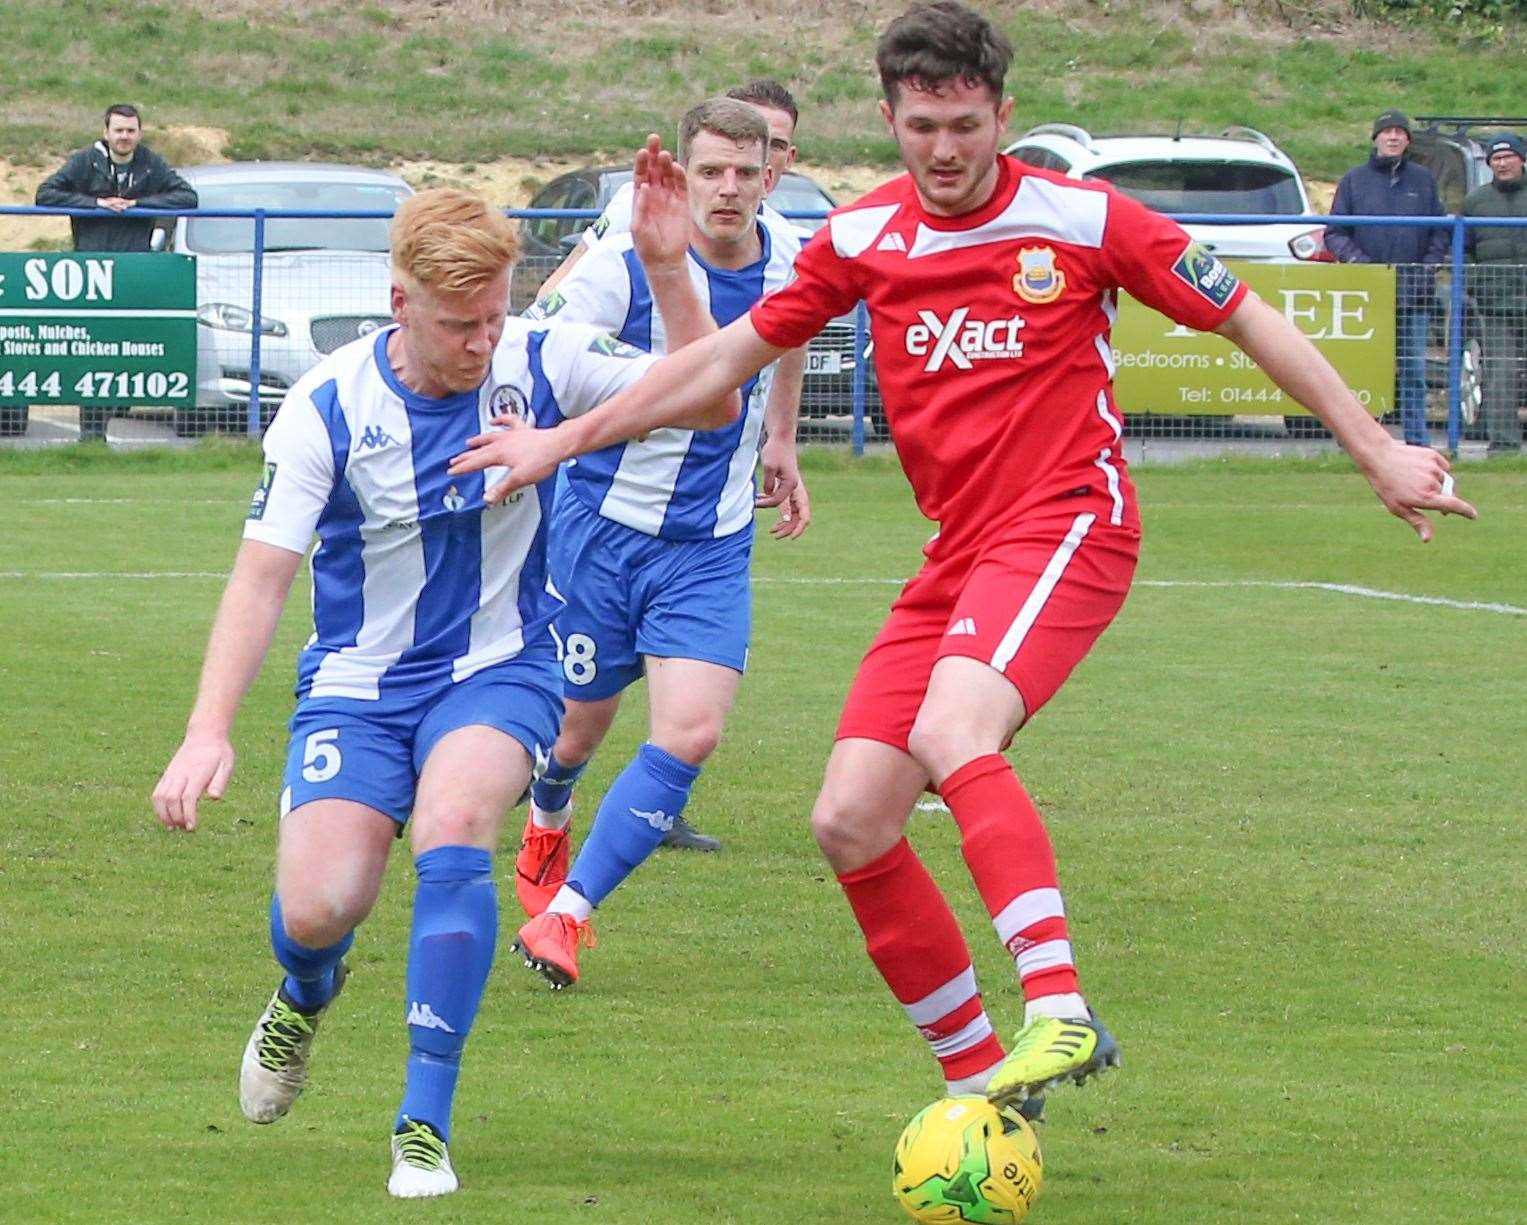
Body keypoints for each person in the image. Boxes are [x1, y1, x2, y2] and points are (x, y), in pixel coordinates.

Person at [449, 0, 1473, 1117]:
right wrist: (559, 439)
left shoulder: (1085, 218)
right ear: (889, 118)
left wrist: (1374, 447)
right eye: (921, 126)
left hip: (1069, 519)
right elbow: (720, 365)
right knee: (849, 817)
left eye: (965, 125)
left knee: (951, 730)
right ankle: (985, 1081)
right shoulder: (863, 239)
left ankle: (1059, 1006)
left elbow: (1247, 318)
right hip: (959, 555)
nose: (943, 150)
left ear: (1003, 117)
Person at [150, 171, 735, 1198]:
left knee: (455, 821)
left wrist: (668, 267)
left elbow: (713, 392)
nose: (480, 342)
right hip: (358, 684)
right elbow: (261, 578)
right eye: (460, 323)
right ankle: (304, 990)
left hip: (501, 663)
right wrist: (208, 729)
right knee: (324, 902)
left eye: (494, 316)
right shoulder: (326, 405)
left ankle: (422, 1123)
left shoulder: (536, 357)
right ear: (401, 305)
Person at [510, 98, 808, 987]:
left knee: (691, 731)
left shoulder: (791, 254)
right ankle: (549, 808)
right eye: (708, 171)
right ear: (682, 173)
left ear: (769, 175)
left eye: (744, 173)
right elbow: (537, 339)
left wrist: (781, 437)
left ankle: (568, 914)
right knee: (574, 733)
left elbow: (788, 337)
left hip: (708, 546)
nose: (727, 189)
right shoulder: (622, 257)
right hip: (600, 532)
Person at [34, 104, 199, 439]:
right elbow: (45, 194)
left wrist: (139, 205)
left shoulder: (150, 163)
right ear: (106, 132)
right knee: (93, 352)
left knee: (124, 351)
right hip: (90, 274)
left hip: (133, 273)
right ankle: (90, 436)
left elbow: (187, 197)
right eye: (118, 130)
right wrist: (96, 204)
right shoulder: (85, 162)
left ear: (139, 133)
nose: (124, 137)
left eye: (130, 130)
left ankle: (105, 424)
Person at [1325, 109, 1448, 447]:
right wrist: (1363, 266)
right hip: (1367, 296)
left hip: (1415, 295)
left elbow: (1441, 229)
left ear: (1408, 140)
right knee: (1362, 372)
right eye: (1387, 131)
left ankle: (1417, 444)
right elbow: (1335, 233)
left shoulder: (1423, 180)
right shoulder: (1354, 180)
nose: (1393, 137)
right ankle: (1360, 444)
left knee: (1413, 374)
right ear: (1375, 138)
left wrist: (1429, 265)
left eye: (1400, 132)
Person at [1461, 132, 1527, 455]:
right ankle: (1503, 446)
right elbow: (1465, 250)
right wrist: (1475, 284)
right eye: (1496, 159)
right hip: (1496, 304)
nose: (1502, 163)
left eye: (1507, 157)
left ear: (1522, 159)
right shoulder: (1475, 202)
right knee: (1501, 376)